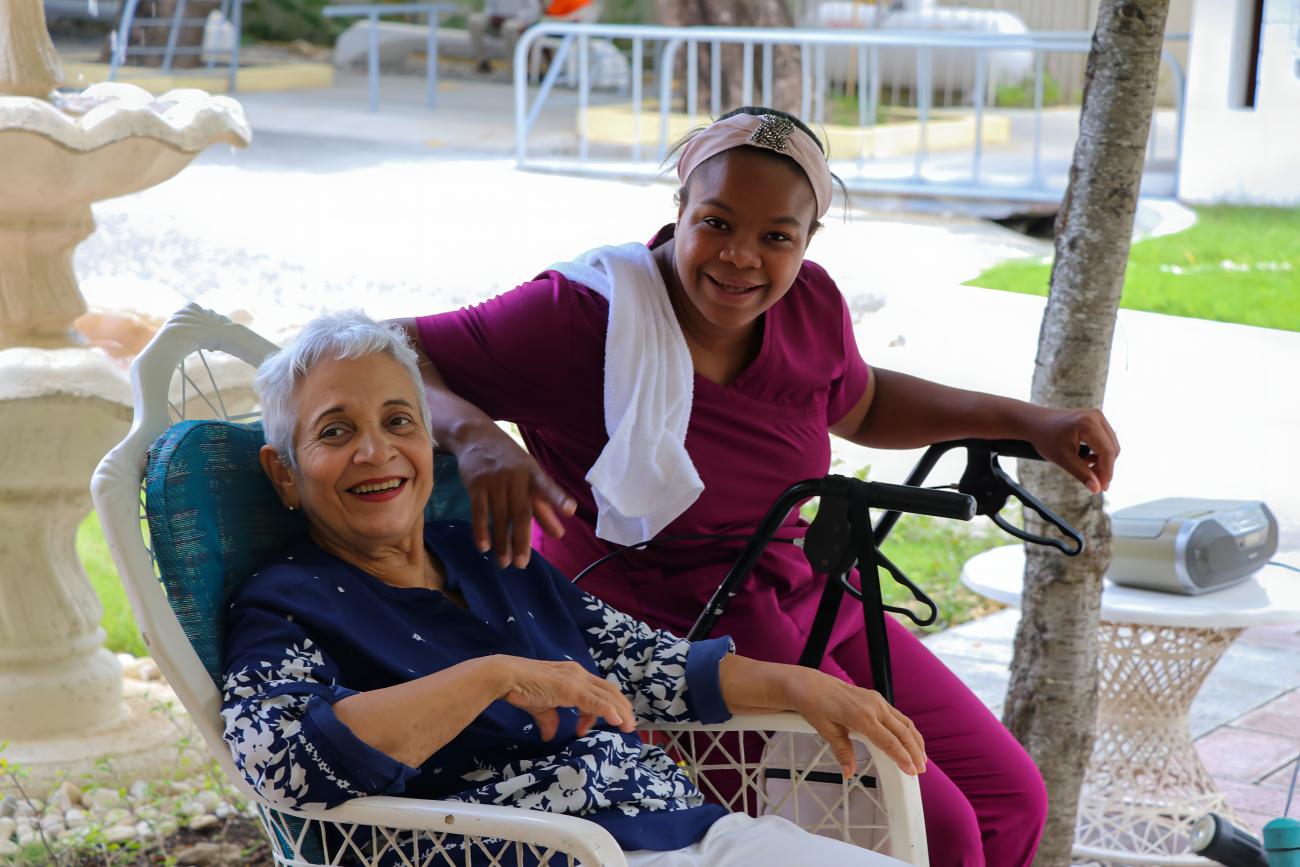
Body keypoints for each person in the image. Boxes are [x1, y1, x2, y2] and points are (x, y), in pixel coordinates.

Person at [393, 106, 1122, 867]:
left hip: (800, 591)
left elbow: (860, 400)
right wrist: (475, 437)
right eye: (717, 222)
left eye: (777, 236)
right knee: (934, 827)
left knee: (1009, 799)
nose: (742, 257)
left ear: (807, 242)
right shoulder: (581, 315)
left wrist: (1027, 419)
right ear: (679, 209)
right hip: (669, 635)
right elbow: (384, 347)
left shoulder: (809, 303)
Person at [220, 311, 927, 867]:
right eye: (335, 431)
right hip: (538, 850)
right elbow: (280, 764)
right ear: (284, 472)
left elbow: (647, 664)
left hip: (682, 830)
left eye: (398, 421)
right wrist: (491, 678)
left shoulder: (483, 553)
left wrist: (805, 686)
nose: (375, 451)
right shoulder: (285, 605)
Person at [467, 0, 541, 74]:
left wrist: (513, 17)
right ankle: (482, 62)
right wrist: (493, 16)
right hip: (495, 22)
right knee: (474, 21)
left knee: (509, 27)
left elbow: (533, 10)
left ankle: (515, 69)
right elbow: (489, 7)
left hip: (517, 21)